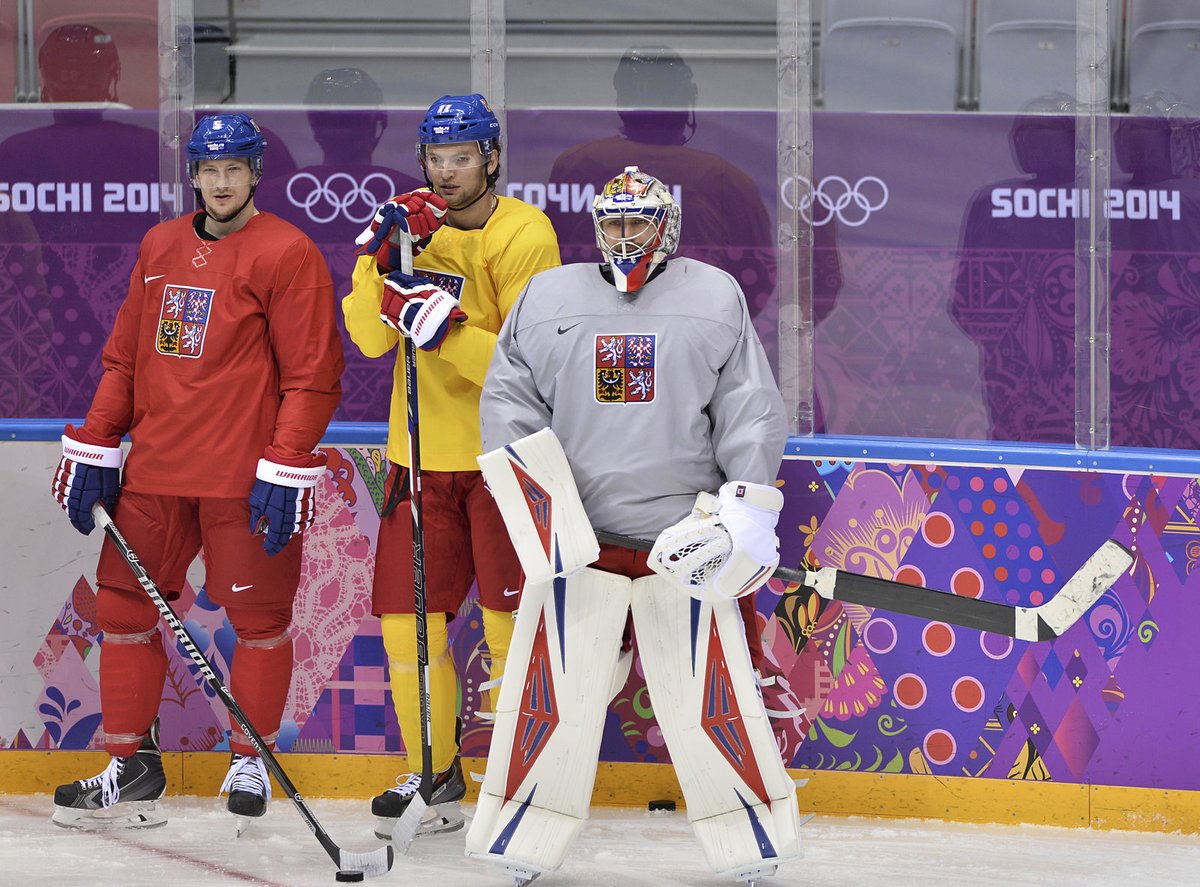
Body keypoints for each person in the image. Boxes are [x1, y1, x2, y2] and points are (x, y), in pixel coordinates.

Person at [465, 167, 801, 883]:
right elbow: (508, 403)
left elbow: (750, 408)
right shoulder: (546, 297)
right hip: (580, 546)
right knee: (550, 701)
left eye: (638, 221)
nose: (625, 235)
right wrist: (543, 515)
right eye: (613, 221)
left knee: (710, 699)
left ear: (667, 224)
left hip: (683, 545)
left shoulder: (713, 295)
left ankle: (749, 842)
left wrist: (741, 507)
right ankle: (523, 837)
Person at [48, 112, 345, 830]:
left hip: (242, 480)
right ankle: (131, 764)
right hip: (154, 472)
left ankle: (249, 757)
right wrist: (96, 443)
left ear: (255, 173)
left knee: (260, 619)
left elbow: (313, 374)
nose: (220, 182)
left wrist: (286, 462)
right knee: (120, 612)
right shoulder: (159, 245)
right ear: (194, 174)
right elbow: (125, 359)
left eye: (233, 169)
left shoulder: (287, 251)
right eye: (208, 169)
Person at [341, 93, 560, 838]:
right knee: (408, 631)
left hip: (503, 463)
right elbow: (371, 340)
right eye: (436, 159)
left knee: (511, 633)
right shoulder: (413, 232)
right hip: (420, 461)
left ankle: (521, 783)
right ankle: (435, 776)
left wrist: (446, 332)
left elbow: (531, 366)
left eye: (461, 157)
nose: (446, 172)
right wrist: (375, 262)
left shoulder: (525, 233)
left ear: (492, 158)